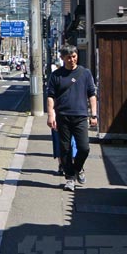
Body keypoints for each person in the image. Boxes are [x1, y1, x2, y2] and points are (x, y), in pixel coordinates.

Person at [46, 45, 97, 191]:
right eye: (68, 57)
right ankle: (69, 178)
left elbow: (91, 94)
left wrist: (93, 114)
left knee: (84, 148)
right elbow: (51, 97)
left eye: (74, 56)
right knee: (65, 149)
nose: (72, 59)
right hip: (63, 116)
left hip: (80, 116)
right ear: (62, 58)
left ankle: (78, 168)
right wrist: (51, 115)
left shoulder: (85, 73)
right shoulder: (56, 75)